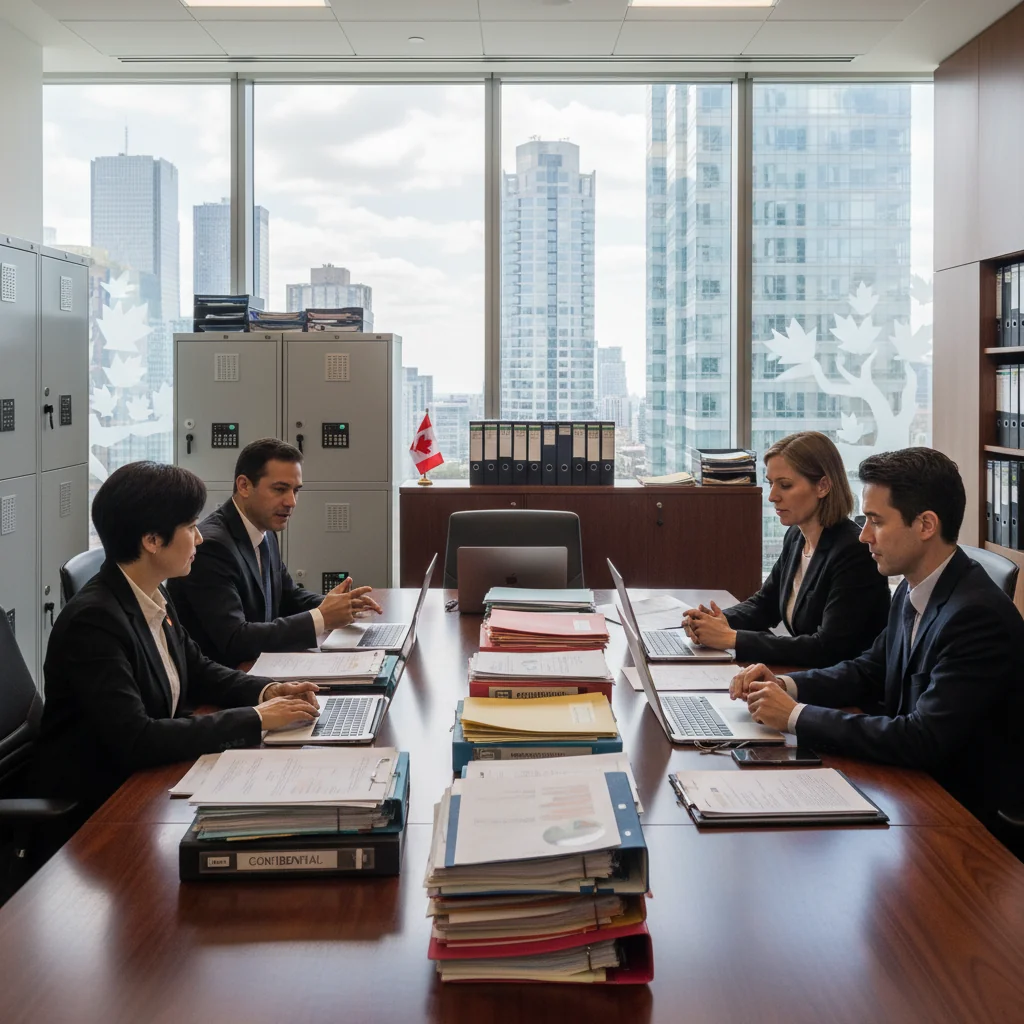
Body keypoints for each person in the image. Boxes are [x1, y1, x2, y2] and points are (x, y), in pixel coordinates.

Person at [730, 447, 1024, 832]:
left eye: (876, 521)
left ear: (925, 525)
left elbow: (922, 737)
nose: (864, 535)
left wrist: (794, 716)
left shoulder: (976, 617)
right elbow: (868, 670)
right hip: (913, 792)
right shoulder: (914, 586)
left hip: (961, 817)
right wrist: (786, 684)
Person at [31, 461, 321, 813]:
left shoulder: (153, 592)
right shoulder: (93, 623)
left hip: (149, 780)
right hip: (104, 805)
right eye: (190, 526)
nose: (199, 537)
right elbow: (138, 738)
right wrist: (257, 718)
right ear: (152, 540)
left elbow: (196, 668)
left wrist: (267, 690)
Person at [167, 438, 382, 668]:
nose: (291, 502)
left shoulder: (265, 531)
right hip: (219, 688)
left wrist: (341, 606)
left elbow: (287, 596)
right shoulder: (212, 546)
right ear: (244, 486)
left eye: (295, 490)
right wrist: (322, 618)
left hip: (259, 668)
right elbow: (235, 639)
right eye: (279, 489)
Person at [682, 431, 890, 667]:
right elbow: (765, 605)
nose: (772, 496)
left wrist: (732, 638)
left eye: (785, 485)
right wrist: (714, 620)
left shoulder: (854, 551)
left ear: (823, 486)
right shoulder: (796, 536)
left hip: (846, 693)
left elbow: (828, 648)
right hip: (808, 674)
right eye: (771, 484)